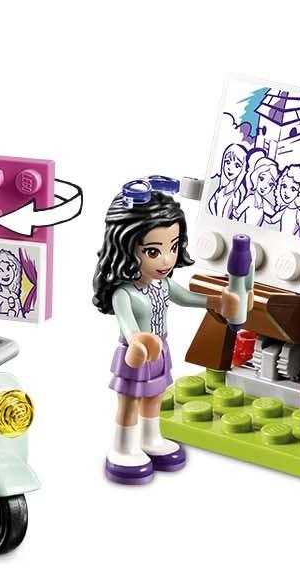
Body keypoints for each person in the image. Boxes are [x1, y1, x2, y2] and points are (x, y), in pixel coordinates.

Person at [91, 184, 245, 484]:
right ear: (125, 248)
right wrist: (137, 341)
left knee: (155, 396)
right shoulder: (124, 293)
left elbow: (186, 297)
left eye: (172, 248)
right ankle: (123, 448)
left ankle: (150, 439)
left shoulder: (162, 284)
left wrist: (216, 301)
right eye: (153, 251)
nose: (166, 260)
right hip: (136, 353)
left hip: (161, 349)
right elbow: (127, 324)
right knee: (129, 400)